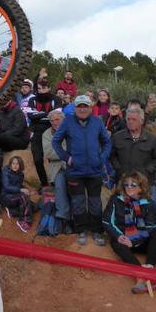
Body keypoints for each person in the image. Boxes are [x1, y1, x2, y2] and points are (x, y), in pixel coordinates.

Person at [52, 95, 112, 246]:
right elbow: (56, 141)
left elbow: (107, 142)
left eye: (86, 106)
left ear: (91, 107)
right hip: (75, 171)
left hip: (94, 170)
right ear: (75, 108)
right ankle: (81, 231)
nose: (83, 108)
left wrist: (101, 158)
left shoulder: (97, 121)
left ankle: (97, 231)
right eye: (80, 106)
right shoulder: (68, 121)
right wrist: (67, 157)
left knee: (95, 202)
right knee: (78, 202)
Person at [102, 171, 156, 294]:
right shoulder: (116, 200)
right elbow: (106, 221)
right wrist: (119, 236)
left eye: (133, 185)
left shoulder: (149, 203)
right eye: (126, 185)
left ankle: (149, 268)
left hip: (140, 241)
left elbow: (151, 226)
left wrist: (134, 240)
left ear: (141, 187)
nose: (129, 187)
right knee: (115, 242)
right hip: (124, 240)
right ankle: (140, 276)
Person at [110, 107, 156, 189]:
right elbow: (112, 156)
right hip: (123, 182)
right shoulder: (117, 137)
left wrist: (147, 170)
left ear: (142, 121)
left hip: (146, 183)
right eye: (128, 119)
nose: (130, 122)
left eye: (134, 119)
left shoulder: (152, 139)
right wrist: (119, 169)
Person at [42, 109, 72, 233]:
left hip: (74, 165)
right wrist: (66, 151)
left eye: (57, 119)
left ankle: (78, 218)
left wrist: (59, 150)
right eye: (52, 120)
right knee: (60, 185)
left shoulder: (71, 129)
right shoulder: (47, 134)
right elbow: (49, 153)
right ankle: (64, 219)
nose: (54, 122)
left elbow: (76, 147)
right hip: (57, 167)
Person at [27, 82, 62, 186]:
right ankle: (44, 185)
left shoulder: (56, 99)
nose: (41, 90)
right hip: (36, 130)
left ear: (49, 88)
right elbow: (30, 115)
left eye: (44, 88)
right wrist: (48, 114)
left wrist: (38, 114)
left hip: (51, 130)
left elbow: (57, 115)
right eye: (39, 88)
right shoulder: (32, 99)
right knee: (37, 159)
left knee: (53, 158)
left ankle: (55, 183)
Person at [1, 156, 33, 232]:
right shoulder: (6, 171)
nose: (15, 166)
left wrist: (27, 190)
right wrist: (21, 190)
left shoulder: (21, 175)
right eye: (13, 163)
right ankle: (23, 221)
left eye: (17, 164)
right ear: (10, 164)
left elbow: (18, 186)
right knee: (23, 197)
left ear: (20, 165)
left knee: (31, 206)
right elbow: (6, 186)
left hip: (14, 197)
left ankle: (13, 212)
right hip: (6, 197)